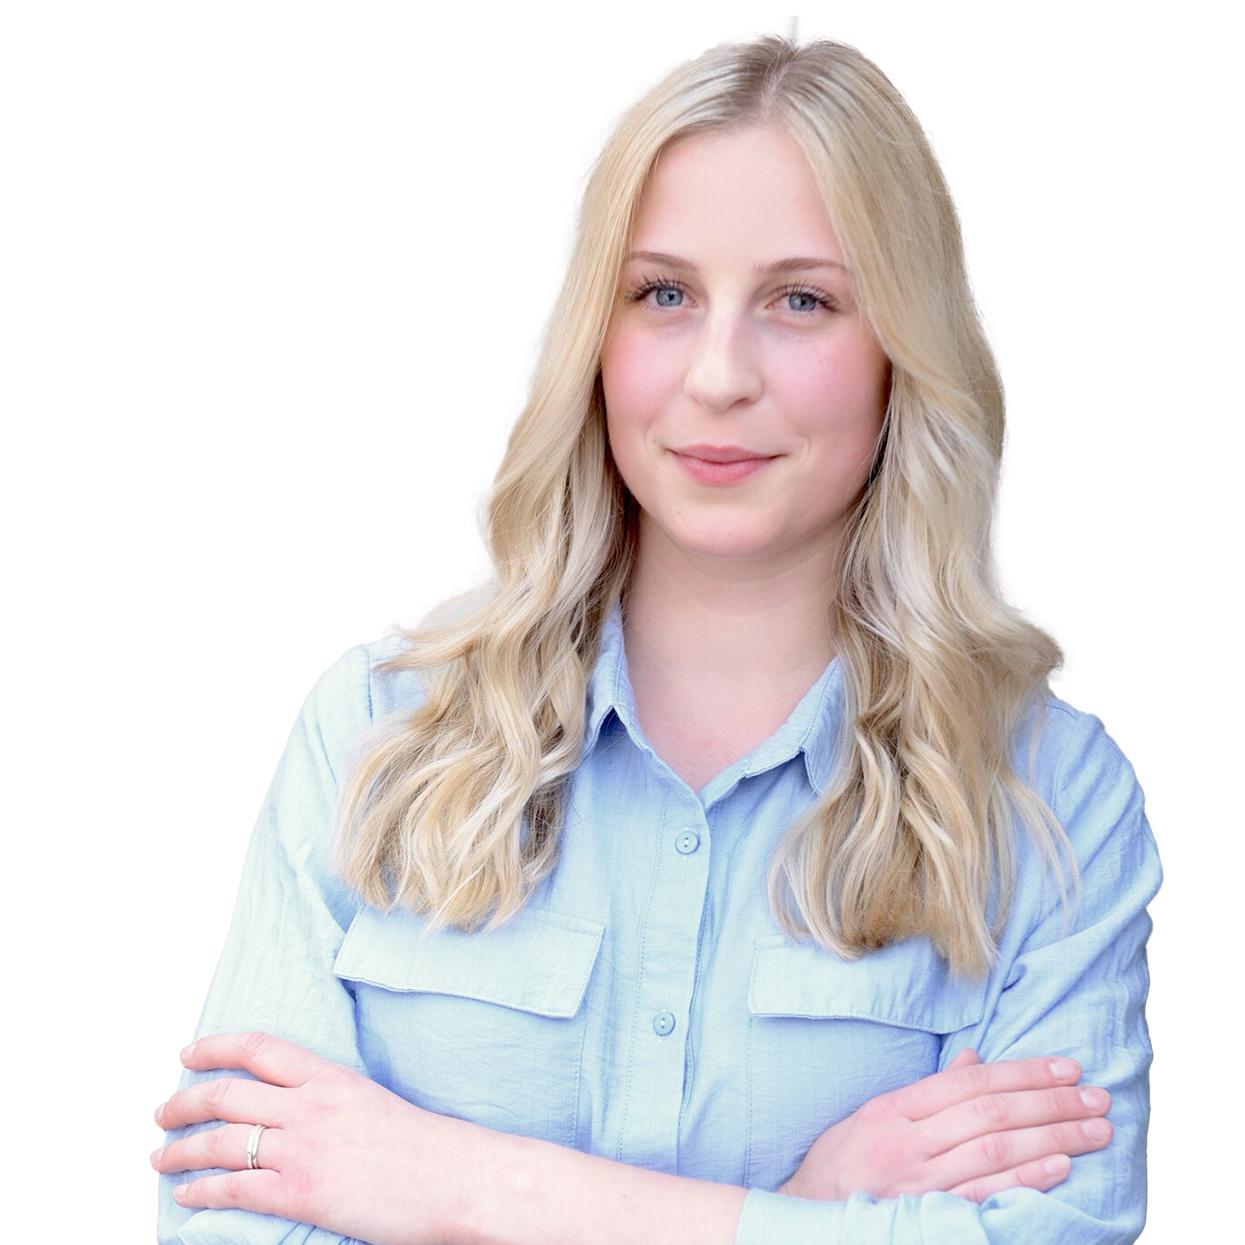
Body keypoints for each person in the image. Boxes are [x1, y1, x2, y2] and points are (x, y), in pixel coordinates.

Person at [152, 32, 1162, 1245]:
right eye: (664, 294)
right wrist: (804, 1214)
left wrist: (459, 1187)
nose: (719, 374)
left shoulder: (1050, 802)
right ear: (598, 334)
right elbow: (226, 1225)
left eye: (802, 300)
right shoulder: (373, 734)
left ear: (903, 348)